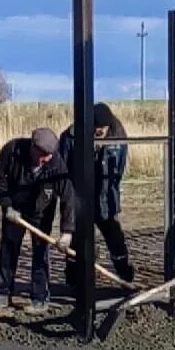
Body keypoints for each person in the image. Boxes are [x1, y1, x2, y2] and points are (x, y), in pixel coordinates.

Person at [0, 127, 76, 314]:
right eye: (43, 155)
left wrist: (67, 232)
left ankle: (39, 299)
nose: (47, 159)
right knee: (8, 250)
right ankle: (2, 294)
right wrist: (7, 206)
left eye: (50, 155)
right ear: (33, 148)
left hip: (41, 213)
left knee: (40, 254)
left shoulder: (56, 163)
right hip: (15, 209)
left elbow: (68, 197)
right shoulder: (12, 151)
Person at [57, 102, 135, 290]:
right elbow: (63, 166)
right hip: (79, 199)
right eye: (96, 128)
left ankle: (125, 274)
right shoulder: (71, 136)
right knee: (77, 241)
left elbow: (119, 169)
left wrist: (110, 190)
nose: (99, 132)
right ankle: (75, 282)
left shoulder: (118, 137)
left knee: (115, 238)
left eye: (103, 128)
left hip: (105, 198)